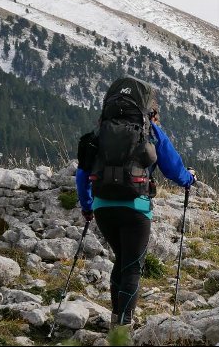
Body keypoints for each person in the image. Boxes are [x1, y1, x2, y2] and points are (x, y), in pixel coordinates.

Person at [75, 77, 195, 327]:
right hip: (136, 207)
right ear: (150, 110)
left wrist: (87, 207)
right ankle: (122, 330)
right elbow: (173, 168)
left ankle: (116, 321)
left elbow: (82, 174)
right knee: (131, 265)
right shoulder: (151, 131)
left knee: (122, 260)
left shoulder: (99, 132)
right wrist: (188, 180)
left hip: (103, 208)